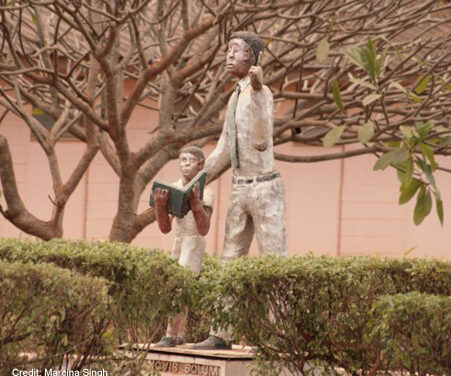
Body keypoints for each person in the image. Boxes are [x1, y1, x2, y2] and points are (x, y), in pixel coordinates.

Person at [192, 31, 288, 350]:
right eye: (229, 50)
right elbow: (222, 148)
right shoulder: (234, 96)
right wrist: (199, 178)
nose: (229, 56)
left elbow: (261, 140)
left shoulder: (263, 94)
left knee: (273, 262)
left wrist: (259, 89)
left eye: (238, 51)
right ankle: (221, 332)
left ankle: (280, 337)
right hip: (239, 187)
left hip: (265, 189)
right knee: (229, 261)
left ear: (254, 59)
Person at [153, 146, 214, 347]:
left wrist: (196, 204)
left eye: (190, 160)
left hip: (193, 242)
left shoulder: (208, 192)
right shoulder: (174, 187)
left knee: (180, 288)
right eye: (182, 160)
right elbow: (165, 228)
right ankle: (178, 334)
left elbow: (204, 229)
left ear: (200, 165)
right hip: (178, 242)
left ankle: (170, 334)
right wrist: (160, 208)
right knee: (178, 288)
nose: (185, 164)